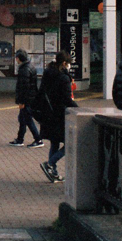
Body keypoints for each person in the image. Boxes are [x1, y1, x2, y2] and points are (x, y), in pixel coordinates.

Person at [39, 52, 78, 182]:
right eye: (69, 64)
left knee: (54, 142)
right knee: (70, 142)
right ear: (64, 63)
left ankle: (53, 172)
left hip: (48, 113)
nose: (69, 66)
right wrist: (78, 108)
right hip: (60, 115)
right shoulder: (63, 78)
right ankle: (50, 163)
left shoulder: (48, 74)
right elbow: (67, 99)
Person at [9, 49, 44, 148]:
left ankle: (38, 139)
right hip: (30, 97)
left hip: (26, 99)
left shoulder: (24, 69)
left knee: (27, 119)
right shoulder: (31, 67)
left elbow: (23, 87)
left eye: (16, 57)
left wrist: (21, 101)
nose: (16, 59)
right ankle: (20, 139)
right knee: (22, 119)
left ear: (19, 58)